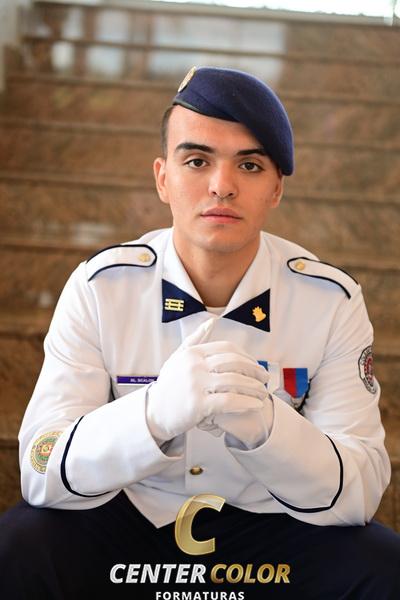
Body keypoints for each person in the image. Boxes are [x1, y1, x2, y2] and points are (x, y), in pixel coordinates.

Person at [0, 66, 399, 599]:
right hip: (127, 528)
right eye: (197, 161)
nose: (221, 185)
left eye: (249, 165)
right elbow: (40, 465)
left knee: (383, 566)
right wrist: (151, 416)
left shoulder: (330, 301)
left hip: (270, 536)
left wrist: (269, 430)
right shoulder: (102, 287)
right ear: (162, 178)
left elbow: (363, 484)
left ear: (276, 188)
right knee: (18, 547)